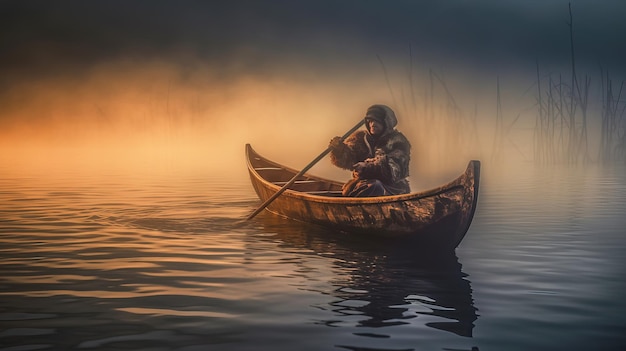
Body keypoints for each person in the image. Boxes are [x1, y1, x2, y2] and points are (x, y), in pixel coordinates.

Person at [328, 104, 411, 197]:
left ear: (386, 123)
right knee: (370, 186)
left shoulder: (398, 141)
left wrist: (367, 167)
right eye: (370, 121)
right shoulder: (360, 138)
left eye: (377, 121)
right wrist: (339, 149)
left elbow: (394, 169)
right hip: (364, 184)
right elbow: (347, 160)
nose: (373, 124)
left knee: (375, 186)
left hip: (393, 188)